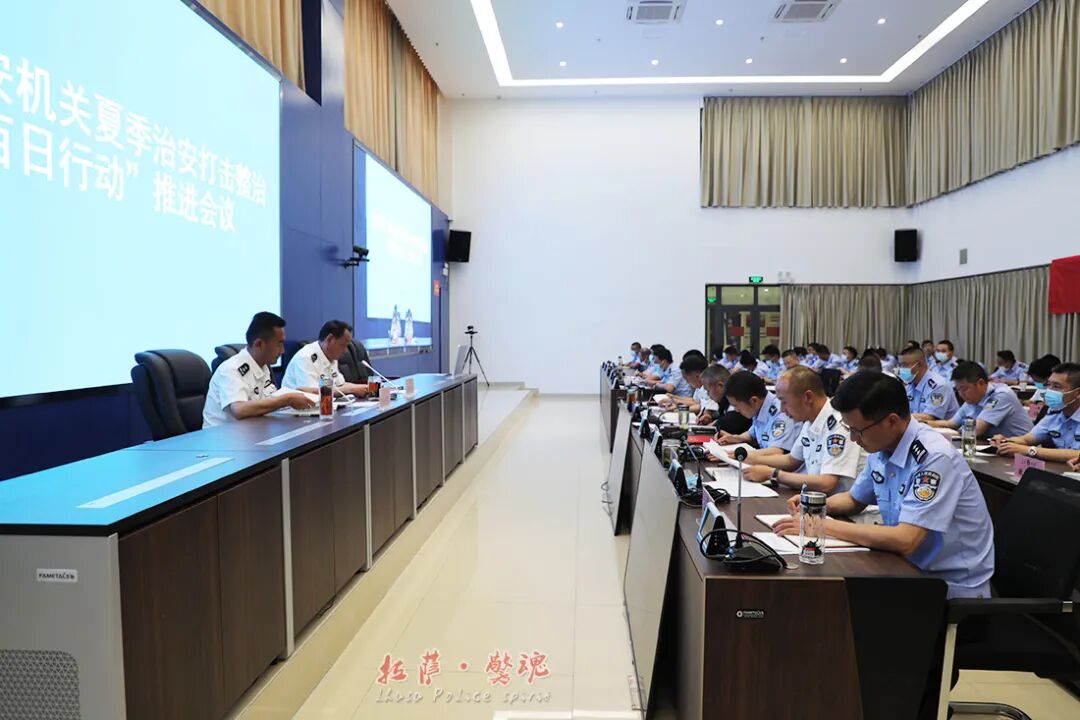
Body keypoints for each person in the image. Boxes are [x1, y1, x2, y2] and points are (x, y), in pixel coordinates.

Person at [774, 372, 994, 599]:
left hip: (948, 589)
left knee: (827, 601)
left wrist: (820, 525)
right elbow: (854, 499)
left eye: (858, 430)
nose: (853, 439)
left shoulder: (934, 457)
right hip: (904, 569)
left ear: (891, 421)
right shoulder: (883, 447)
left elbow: (906, 540)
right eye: (849, 429)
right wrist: (815, 506)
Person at [737, 366, 866, 494]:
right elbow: (791, 460)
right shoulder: (810, 419)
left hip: (842, 505)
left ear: (807, 397)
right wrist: (749, 459)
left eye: (784, 402)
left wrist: (773, 474)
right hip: (818, 500)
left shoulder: (839, 424)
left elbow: (827, 483)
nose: (782, 409)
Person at [203, 312, 316, 427]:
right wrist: (287, 399)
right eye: (279, 344)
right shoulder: (231, 369)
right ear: (259, 344)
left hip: (252, 431)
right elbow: (239, 410)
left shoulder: (263, 366)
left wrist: (298, 393)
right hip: (223, 436)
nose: (283, 351)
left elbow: (270, 400)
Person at [993, 363, 1080, 463]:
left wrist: (1030, 451)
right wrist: (1006, 442)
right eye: (1048, 385)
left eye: (1057, 386)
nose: (1049, 390)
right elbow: (1026, 440)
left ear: (1077, 393)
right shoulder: (1055, 413)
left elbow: (1078, 454)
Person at [928, 361, 1033, 439]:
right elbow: (951, 423)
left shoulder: (1001, 395)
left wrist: (956, 432)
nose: (961, 394)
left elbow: (976, 430)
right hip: (995, 449)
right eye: (958, 389)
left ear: (981, 383)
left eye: (964, 389)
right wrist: (923, 424)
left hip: (1020, 452)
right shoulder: (972, 399)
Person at [713, 371, 802, 451]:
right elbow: (753, 434)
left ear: (754, 400)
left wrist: (735, 455)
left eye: (736, 405)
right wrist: (735, 438)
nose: (736, 410)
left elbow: (777, 452)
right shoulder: (759, 408)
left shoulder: (782, 413)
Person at [282, 320, 371, 398]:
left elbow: (340, 385)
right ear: (329, 339)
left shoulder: (331, 356)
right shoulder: (305, 357)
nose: (345, 351)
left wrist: (362, 387)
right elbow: (309, 392)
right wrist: (351, 390)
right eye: (343, 345)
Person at [897, 346, 959, 422]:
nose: (901, 369)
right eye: (900, 365)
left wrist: (900, 417)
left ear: (919, 365)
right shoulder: (909, 384)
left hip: (940, 428)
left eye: (905, 365)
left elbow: (930, 417)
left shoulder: (938, 385)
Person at [695, 364, 752, 435]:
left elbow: (734, 420)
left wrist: (716, 423)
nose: (708, 394)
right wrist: (710, 418)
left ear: (720, 385)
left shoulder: (737, 396)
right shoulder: (723, 401)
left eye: (708, 390)